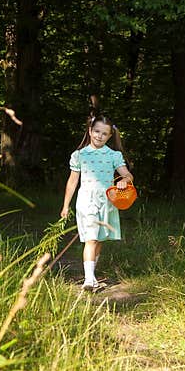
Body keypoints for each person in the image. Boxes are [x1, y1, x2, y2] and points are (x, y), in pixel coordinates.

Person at [60, 113, 134, 292]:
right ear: (90, 131)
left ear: (110, 136)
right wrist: (65, 205)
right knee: (91, 239)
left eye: (104, 133)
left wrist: (124, 180)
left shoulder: (113, 155)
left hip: (107, 202)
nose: (99, 136)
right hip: (86, 201)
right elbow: (72, 181)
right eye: (96, 131)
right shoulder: (79, 155)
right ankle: (88, 279)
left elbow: (128, 175)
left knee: (99, 239)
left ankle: (92, 274)